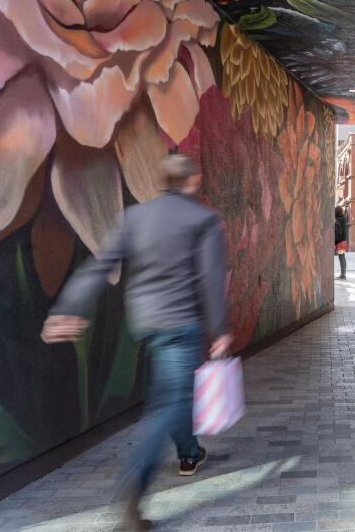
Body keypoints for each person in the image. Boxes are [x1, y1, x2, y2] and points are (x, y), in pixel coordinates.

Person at [41, 154, 232, 530]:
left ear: (164, 180)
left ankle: (190, 452)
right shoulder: (202, 220)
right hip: (181, 324)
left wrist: (70, 307)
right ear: (193, 180)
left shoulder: (137, 217)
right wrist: (220, 330)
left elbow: (100, 264)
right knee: (169, 404)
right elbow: (211, 280)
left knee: (173, 394)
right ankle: (133, 491)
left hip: (147, 323)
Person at [334, 206, 348, 280]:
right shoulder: (344, 219)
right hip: (344, 241)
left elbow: (338, 232)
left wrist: (335, 242)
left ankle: (343, 275)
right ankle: (343, 274)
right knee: (342, 257)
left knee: (341, 258)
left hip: (340, 241)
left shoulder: (339, 220)